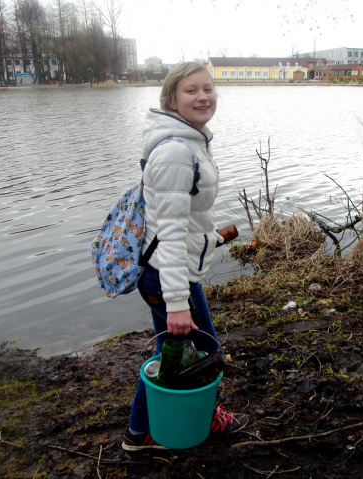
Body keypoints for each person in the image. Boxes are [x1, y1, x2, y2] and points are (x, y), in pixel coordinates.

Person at [123, 62, 247, 451]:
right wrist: (178, 304)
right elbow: (172, 234)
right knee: (193, 353)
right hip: (166, 276)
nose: (203, 96)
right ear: (171, 99)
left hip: (170, 272)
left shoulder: (189, 142)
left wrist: (210, 240)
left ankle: (140, 431)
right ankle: (149, 430)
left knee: (183, 352)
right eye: (191, 90)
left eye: (208, 89)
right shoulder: (177, 150)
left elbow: (180, 220)